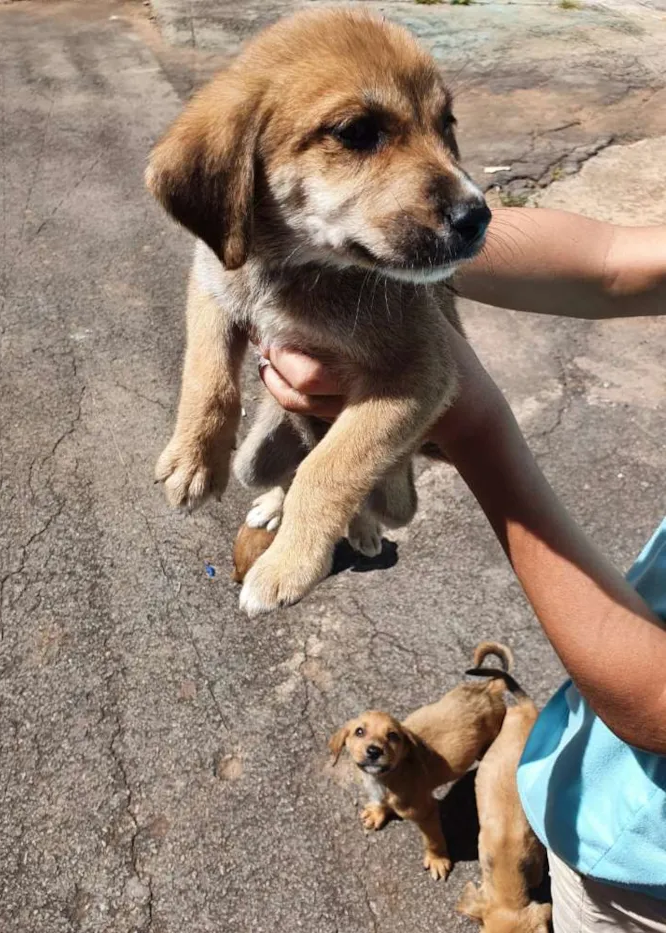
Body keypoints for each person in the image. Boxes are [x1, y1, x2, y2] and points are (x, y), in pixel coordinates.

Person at [257, 208, 666, 931]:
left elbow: (654, 700)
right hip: (584, 781)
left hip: (639, 878)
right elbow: (615, 258)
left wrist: (473, 425)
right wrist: (395, 233)